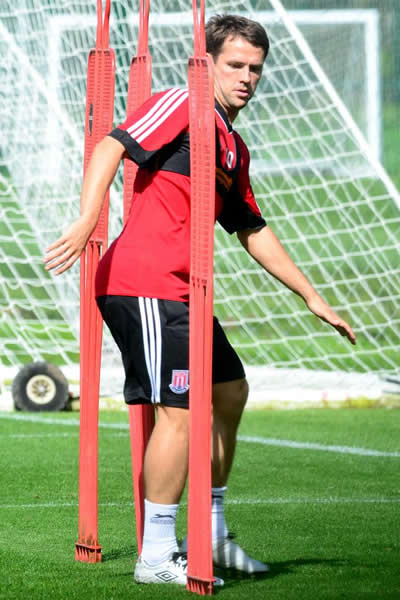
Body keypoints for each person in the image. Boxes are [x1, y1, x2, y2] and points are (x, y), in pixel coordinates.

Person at [44, 14, 356, 586]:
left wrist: (312, 296)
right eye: (235, 65)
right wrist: (89, 217)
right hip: (142, 284)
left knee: (230, 390)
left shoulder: (233, 147)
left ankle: (209, 531)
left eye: (255, 69)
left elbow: (251, 228)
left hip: (185, 292)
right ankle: (156, 555)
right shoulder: (180, 103)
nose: (246, 78)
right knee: (180, 412)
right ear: (206, 63)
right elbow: (111, 144)